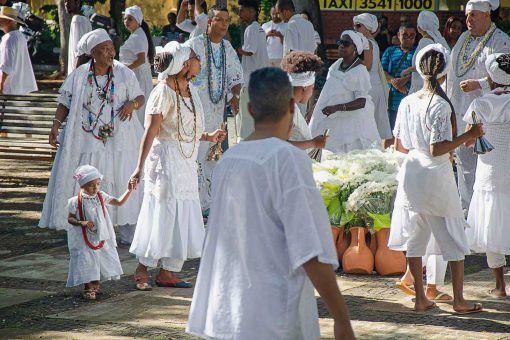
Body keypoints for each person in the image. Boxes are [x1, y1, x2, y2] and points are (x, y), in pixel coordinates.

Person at [186, 67, 355, 340]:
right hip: (272, 314)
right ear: (292, 105)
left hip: (226, 309)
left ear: (250, 110)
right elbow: (310, 249)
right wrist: (342, 319)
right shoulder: (289, 160)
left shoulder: (229, 160)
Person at [388, 44, 484, 314]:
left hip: (412, 174)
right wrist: (469, 135)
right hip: (435, 175)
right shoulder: (440, 104)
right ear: (444, 73)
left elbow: (400, 146)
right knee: (452, 240)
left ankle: (420, 299)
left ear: (419, 70)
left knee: (416, 238)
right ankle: (459, 300)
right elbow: (437, 148)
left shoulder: (407, 102)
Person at [129, 42, 226, 291]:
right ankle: (142, 268)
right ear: (184, 64)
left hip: (185, 163)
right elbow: (151, 132)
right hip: (165, 161)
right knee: (163, 213)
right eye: (194, 57)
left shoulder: (190, 90)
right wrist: (138, 167)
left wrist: (208, 136)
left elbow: (186, 130)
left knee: (182, 214)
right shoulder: (162, 91)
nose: (199, 61)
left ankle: (168, 272)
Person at [39, 29, 145, 247]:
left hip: (121, 139)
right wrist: (55, 126)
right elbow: (64, 103)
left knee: (122, 177)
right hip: (87, 139)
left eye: (111, 48)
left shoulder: (124, 72)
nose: (110, 53)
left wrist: (131, 104)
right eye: (104, 49)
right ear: (93, 53)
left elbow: (140, 96)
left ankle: (127, 231)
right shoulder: (79, 75)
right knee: (89, 182)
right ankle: (90, 229)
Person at [447, 0, 510, 212]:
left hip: (491, 117)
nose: (468, 20)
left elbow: (506, 76)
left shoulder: (501, 41)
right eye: (466, 15)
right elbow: (451, 75)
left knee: (488, 168)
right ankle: (465, 214)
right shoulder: (463, 38)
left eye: (473, 15)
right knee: (464, 165)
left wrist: (480, 84)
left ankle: (487, 217)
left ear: (486, 16)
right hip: (461, 112)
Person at [185, 6, 243, 213]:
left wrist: (235, 96)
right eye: (220, 20)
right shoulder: (193, 46)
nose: (225, 24)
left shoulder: (227, 48)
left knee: (213, 155)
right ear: (209, 22)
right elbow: (180, 74)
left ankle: (209, 201)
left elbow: (236, 76)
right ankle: (194, 201)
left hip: (217, 111)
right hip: (193, 110)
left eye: (227, 20)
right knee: (194, 154)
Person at [465, 53, 510, 298]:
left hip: (490, 173)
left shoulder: (480, 104)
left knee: (492, 226)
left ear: (491, 79)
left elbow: (468, 139)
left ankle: (500, 286)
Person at [66, 165, 132, 300]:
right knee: (86, 258)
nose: (95, 188)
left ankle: (95, 282)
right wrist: (81, 223)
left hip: (101, 234)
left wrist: (129, 190)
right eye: (91, 185)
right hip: (83, 237)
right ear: (82, 185)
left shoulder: (101, 196)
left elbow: (118, 202)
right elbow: (70, 218)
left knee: (100, 256)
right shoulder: (75, 201)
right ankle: (88, 285)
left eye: (98, 184)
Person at [309, 31, 380, 153]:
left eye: (346, 43)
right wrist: (315, 108)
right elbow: (328, 92)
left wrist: (337, 107)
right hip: (331, 117)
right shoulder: (335, 67)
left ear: (355, 49)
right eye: (340, 42)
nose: (341, 46)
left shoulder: (360, 71)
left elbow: (361, 101)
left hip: (351, 123)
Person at [354, 13, 392, 142]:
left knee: (369, 118)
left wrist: (351, 64)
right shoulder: (371, 42)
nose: (355, 29)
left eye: (358, 26)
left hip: (370, 86)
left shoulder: (367, 43)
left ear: (367, 27)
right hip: (372, 84)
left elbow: (368, 66)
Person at [235, 0, 269, 142]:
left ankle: (245, 149)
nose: (239, 14)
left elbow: (249, 51)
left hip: (250, 83)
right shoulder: (260, 29)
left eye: (242, 10)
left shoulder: (251, 29)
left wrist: (236, 51)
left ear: (251, 11)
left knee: (246, 121)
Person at [381, 23, 416, 148]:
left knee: (407, 135)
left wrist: (406, 79)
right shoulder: (390, 51)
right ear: (398, 35)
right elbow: (382, 71)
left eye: (412, 36)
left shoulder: (418, 52)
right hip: (392, 100)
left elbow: (422, 72)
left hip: (411, 100)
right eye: (405, 35)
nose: (408, 38)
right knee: (389, 134)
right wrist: (394, 82)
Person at [120, 5, 155, 126]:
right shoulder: (137, 34)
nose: (126, 22)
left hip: (138, 76)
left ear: (138, 20)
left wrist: (123, 69)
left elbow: (141, 60)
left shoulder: (138, 36)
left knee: (138, 110)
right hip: (137, 75)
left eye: (130, 19)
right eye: (125, 19)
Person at [401, 11, 450, 95]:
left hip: (422, 85)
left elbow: (426, 64)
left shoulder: (425, 41)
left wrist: (407, 70)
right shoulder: (439, 40)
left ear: (420, 26)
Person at [0, 6, 37, 95]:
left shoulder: (9, 39)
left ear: (8, 21)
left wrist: (1, 86)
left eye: (1, 19)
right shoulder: (20, 37)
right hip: (20, 88)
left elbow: (6, 66)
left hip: (9, 89)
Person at [66, 0, 92, 75]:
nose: (66, 4)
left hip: (78, 71)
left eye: (69, 1)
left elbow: (81, 51)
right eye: (65, 1)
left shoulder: (78, 20)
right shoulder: (82, 19)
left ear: (77, 2)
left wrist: (75, 75)